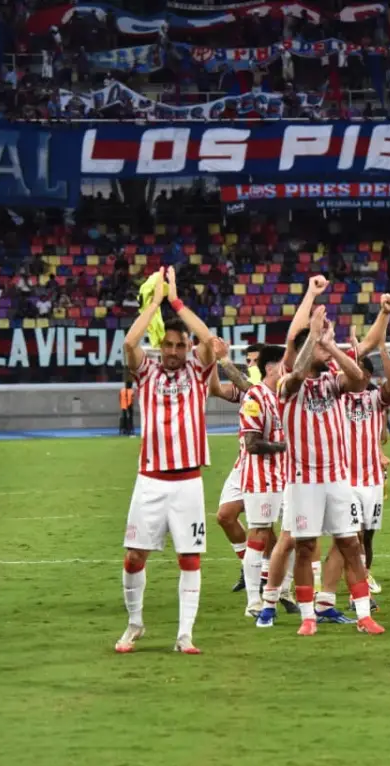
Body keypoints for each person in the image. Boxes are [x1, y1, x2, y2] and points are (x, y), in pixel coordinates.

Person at [115, 267, 224, 655]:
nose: (175, 352)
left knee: (189, 557)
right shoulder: (147, 372)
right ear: (162, 346)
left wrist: (176, 301)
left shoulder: (197, 369)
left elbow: (209, 339)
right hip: (151, 479)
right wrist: (155, 304)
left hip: (188, 480)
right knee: (134, 556)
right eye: (170, 346)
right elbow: (130, 342)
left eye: (181, 346)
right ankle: (135, 623)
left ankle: (184, 634)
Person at [278, 305, 384, 636]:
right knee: (306, 547)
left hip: (337, 478)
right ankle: (308, 616)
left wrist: (333, 347)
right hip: (303, 481)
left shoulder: (332, 382)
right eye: (321, 346)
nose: (326, 349)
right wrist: (313, 339)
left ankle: (365, 616)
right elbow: (296, 374)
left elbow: (358, 379)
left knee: (351, 544)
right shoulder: (288, 383)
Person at [344, 338, 390, 594]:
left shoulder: (375, 399)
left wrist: (382, 349)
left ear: (366, 375)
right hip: (344, 479)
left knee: (367, 535)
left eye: (357, 368)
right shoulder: (335, 398)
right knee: (352, 535)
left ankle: (364, 572)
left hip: (372, 479)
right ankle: (360, 580)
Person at [236, 345, 288, 620]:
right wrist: (285, 447)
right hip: (260, 479)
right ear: (270, 368)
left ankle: (284, 590)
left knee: (294, 534)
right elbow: (252, 444)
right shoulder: (254, 397)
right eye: (283, 364)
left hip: (285, 477)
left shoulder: (282, 395)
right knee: (258, 536)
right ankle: (254, 600)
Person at [210, 348, 255, 591]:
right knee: (225, 516)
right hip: (243, 465)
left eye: (256, 360)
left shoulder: (274, 388)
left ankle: (279, 580)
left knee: (268, 529)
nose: (251, 364)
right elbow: (215, 389)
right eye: (248, 361)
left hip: (272, 466)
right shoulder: (246, 392)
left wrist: (222, 359)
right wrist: (209, 364)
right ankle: (250, 568)